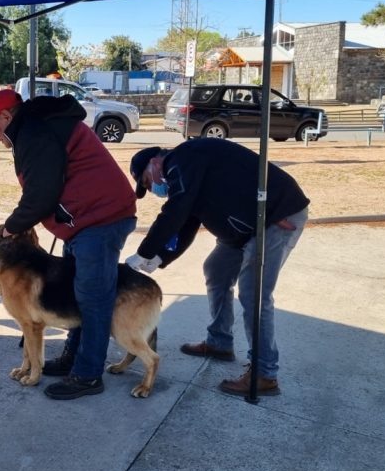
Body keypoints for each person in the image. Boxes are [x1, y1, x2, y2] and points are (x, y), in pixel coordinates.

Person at [0, 89, 137, 400]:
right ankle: (72, 360)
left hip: (102, 219)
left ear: (6, 117)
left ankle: (89, 374)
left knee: (93, 299)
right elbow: (43, 188)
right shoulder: (34, 128)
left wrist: (11, 227)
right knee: (74, 291)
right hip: (86, 220)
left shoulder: (34, 132)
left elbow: (41, 194)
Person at [125, 138, 309, 397]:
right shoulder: (187, 176)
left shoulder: (182, 159)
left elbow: (175, 211)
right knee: (216, 269)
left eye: (147, 181)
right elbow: (185, 225)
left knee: (253, 294)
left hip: (277, 217)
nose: (153, 188)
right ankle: (219, 342)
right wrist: (159, 258)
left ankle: (265, 374)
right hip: (244, 229)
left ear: (155, 162)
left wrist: (143, 253)